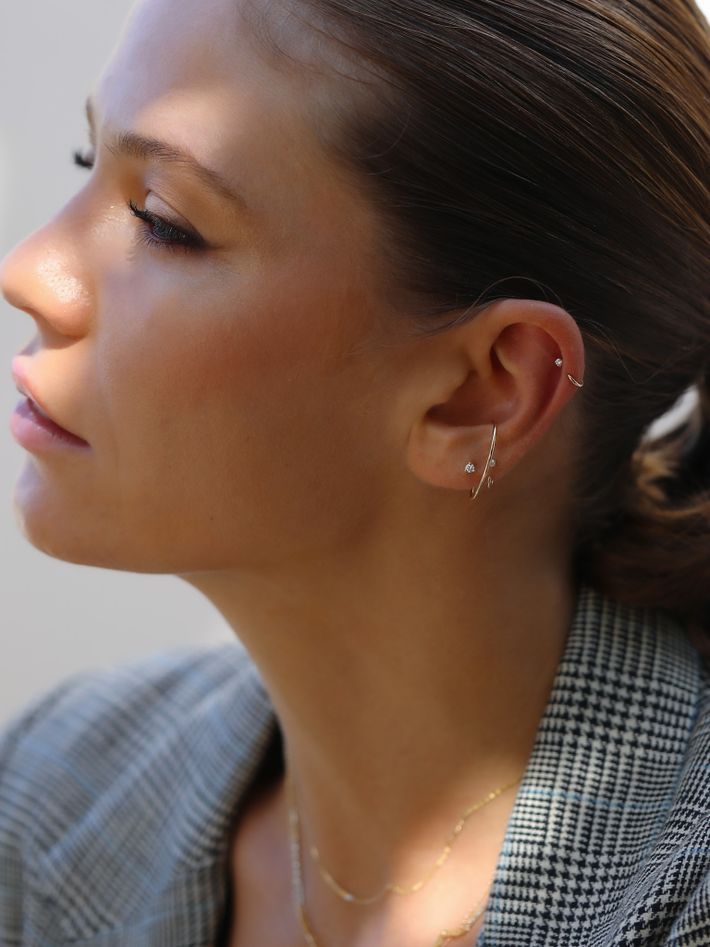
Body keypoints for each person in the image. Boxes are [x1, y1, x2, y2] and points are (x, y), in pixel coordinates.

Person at [0, 0, 708, 944]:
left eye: (163, 220)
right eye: (86, 160)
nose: (28, 269)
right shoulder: (53, 797)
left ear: (482, 390)